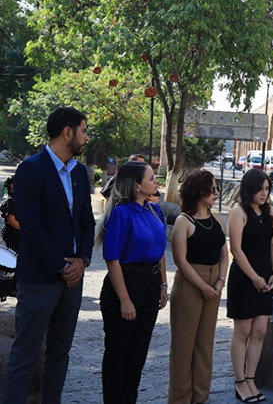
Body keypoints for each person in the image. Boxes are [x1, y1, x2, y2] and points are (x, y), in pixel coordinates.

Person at [2, 106, 95, 404]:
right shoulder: (31, 169)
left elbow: (86, 222)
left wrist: (82, 261)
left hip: (72, 280)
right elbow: (32, 227)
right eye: (83, 131)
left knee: (60, 353)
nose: (86, 137)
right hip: (40, 279)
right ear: (67, 133)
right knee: (24, 356)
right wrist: (61, 266)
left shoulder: (80, 172)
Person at [96, 161, 168, 403]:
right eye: (150, 177)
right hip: (125, 282)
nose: (155, 180)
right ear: (137, 185)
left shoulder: (154, 210)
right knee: (118, 353)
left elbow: (160, 252)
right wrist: (125, 300)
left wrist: (163, 284)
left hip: (150, 283)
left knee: (138, 353)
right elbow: (112, 259)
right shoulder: (121, 213)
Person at [168, 170, 229, 403]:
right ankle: (180, 399)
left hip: (214, 283)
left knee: (205, 345)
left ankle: (200, 397)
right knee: (184, 347)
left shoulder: (216, 219)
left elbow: (224, 253)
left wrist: (221, 281)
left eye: (216, 188)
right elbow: (180, 260)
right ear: (198, 191)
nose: (216, 193)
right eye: (211, 188)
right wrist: (203, 286)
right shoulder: (184, 221)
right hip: (191, 283)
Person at [227, 169, 273, 403]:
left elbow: (272, 245)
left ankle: (251, 379)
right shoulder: (238, 211)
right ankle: (240, 381)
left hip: (266, 277)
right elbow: (235, 249)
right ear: (250, 188)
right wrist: (254, 278)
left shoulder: (268, 211)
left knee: (259, 331)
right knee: (243, 331)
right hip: (244, 277)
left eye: (267, 189)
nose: (264, 193)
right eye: (260, 189)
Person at [0, 175, 20, 252]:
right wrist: (26, 229)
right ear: (12, 185)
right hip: (14, 236)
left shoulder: (14, 197)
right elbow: (11, 221)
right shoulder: (10, 200)